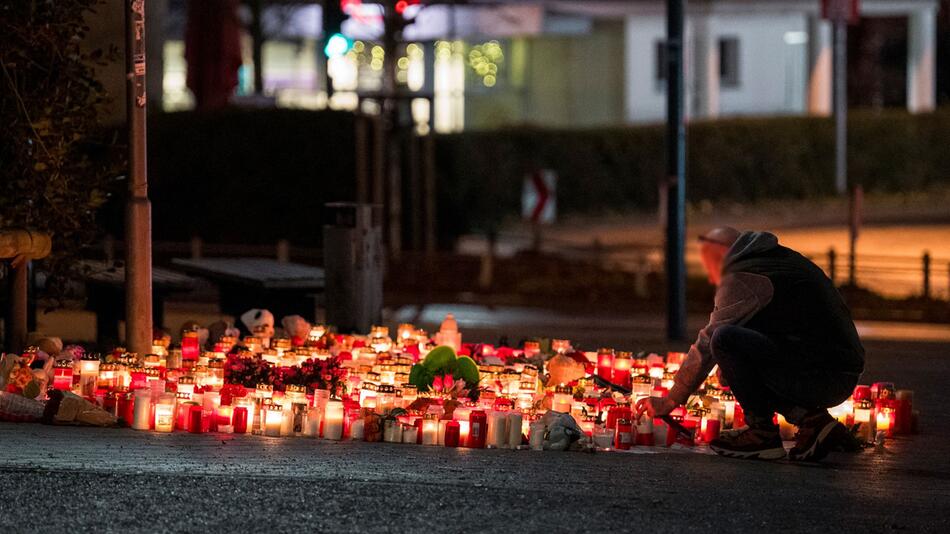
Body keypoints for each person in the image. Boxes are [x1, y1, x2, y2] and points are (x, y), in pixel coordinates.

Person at [645, 227, 864, 461]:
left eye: (709, 265)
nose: (711, 278)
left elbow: (708, 342)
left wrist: (671, 400)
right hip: (836, 369)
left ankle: (762, 433)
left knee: (724, 340)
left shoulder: (742, 276)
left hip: (824, 377)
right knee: (729, 364)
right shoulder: (775, 259)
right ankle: (814, 423)